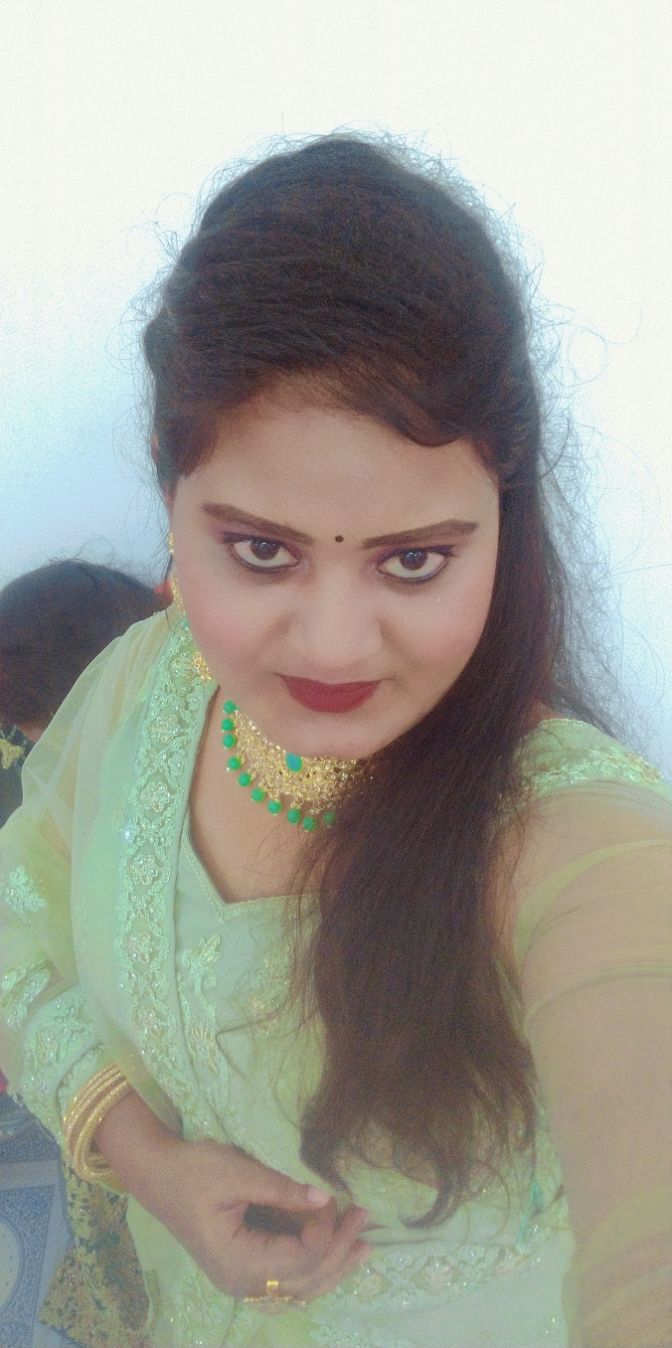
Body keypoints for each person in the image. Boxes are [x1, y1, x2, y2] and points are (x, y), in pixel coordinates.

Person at [0, 135, 670, 1348]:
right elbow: (18, 927)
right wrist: (153, 1163)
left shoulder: (573, 839)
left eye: (414, 561)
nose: (334, 644)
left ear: (502, 519)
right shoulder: (145, 685)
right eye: (262, 549)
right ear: (168, 494)